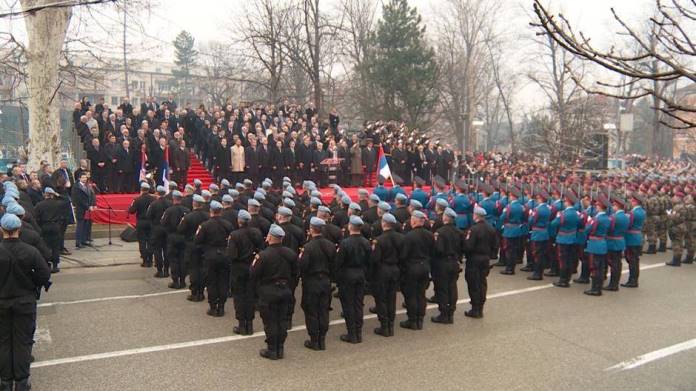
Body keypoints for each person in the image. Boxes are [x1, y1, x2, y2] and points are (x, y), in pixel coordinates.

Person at [0, 213, 51, 391]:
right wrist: (35, 284)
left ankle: (5, 381)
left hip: (2, 301)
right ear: (19, 229)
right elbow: (45, 275)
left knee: (3, 341)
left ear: (2, 230)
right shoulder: (30, 251)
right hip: (25, 301)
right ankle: (21, 381)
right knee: (23, 342)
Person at [251, 224, 296, 360]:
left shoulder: (263, 256)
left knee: (270, 322)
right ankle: (280, 348)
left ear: (270, 236)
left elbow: (254, 274)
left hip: (268, 291)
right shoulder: (291, 254)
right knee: (282, 320)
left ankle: (272, 350)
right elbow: (295, 273)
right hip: (285, 290)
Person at [298, 217, 336, 350]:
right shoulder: (330, 245)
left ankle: (314, 340)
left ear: (311, 229)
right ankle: (322, 339)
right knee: (323, 310)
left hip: (311, 282)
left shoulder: (308, 247)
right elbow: (334, 264)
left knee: (311, 310)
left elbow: (302, 266)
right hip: (325, 281)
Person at [335, 215, 371, 343]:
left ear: (350, 226)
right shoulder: (366, 242)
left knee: (348, 305)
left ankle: (352, 334)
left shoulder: (345, 243)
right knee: (358, 304)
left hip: (347, 276)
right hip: (360, 275)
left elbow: (339, 262)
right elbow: (369, 261)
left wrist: (338, 278)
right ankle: (358, 332)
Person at [228, 210, 264, 335]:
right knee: (250, 296)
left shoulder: (234, 235)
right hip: (252, 267)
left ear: (239, 221)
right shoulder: (257, 232)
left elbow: (232, 255)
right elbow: (261, 249)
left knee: (239, 296)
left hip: (239, 268)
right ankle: (250, 324)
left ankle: (242, 324)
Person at [195, 201, 234, 317]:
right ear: (220, 211)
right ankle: (221, 306)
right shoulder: (228, 224)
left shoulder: (205, 225)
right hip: (224, 254)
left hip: (210, 255)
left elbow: (197, 240)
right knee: (223, 281)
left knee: (211, 281)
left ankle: (213, 307)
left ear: (211, 211)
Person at [369, 213, 403, 336]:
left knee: (381, 299)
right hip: (395, 269)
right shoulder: (401, 238)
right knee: (391, 297)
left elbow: (375, 259)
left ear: (383, 224)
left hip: (382, 271)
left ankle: (384, 326)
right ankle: (391, 325)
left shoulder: (379, 240)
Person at [400, 210, 434, 330]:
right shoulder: (429, 235)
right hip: (425, 266)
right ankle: (420, 319)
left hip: (412, 267)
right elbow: (432, 251)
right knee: (421, 294)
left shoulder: (408, 236)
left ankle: (413, 320)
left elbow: (403, 255)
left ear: (413, 221)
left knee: (411, 295)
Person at [462, 206, 498, 318]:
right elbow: (495, 246)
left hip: (474, 259)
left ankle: (475, 309)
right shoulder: (491, 228)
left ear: (476, 215)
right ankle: (480, 307)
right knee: (482, 283)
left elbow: (468, 246)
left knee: (473, 284)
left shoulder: (473, 229)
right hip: (485, 259)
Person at [431, 208, 465, 324]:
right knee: (452, 287)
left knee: (442, 289)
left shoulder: (440, 232)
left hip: (442, 263)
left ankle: (444, 313)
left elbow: (438, 250)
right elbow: (463, 248)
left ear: (445, 218)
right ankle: (451, 312)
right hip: (454, 262)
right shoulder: (459, 232)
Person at [178, 195, 210, 302]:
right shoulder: (208, 216)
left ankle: (195, 292)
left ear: (194, 204)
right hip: (204, 246)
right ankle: (201, 291)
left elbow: (181, 230)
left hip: (191, 246)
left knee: (194, 269)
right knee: (202, 268)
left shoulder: (188, 217)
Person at [550, 192, 582, 288]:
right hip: (573, 238)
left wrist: (558, 216)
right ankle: (567, 278)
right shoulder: (577, 213)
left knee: (563, 260)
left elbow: (554, 224)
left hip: (563, 238)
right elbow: (580, 224)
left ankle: (563, 280)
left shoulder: (564, 214)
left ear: (567, 202)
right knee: (570, 259)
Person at [33, 187, 66, 273]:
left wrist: (40, 226)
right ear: (52, 194)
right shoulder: (58, 203)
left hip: (44, 226)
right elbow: (67, 200)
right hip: (55, 226)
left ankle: (47, 264)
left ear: (44, 195)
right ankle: (55, 265)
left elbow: (36, 217)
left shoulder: (39, 205)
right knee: (55, 247)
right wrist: (57, 195)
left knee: (45, 246)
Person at [161, 191, 189, 289]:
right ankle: (182, 281)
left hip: (172, 236)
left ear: (173, 199)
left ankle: (175, 281)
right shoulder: (187, 210)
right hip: (183, 237)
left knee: (173, 260)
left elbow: (163, 222)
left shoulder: (169, 211)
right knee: (182, 259)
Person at [128, 182, 156, 268]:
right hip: (151, 222)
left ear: (141, 189)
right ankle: (150, 259)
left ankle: (145, 260)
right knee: (150, 241)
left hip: (141, 222)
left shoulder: (137, 199)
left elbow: (131, 211)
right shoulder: (154, 199)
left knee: (142, 241)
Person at [146, 186, 172, 278]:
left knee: (157, 250)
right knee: (166, 250)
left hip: (157, 228)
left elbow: (148, 216)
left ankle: (160, 270)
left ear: (157, 193)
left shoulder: (154, 204)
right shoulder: (170, 203)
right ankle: (166, 270)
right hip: (167, 229)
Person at [605, 196, 629, 290]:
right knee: (617, 263)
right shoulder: (626, 216)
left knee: (614, 264)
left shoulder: (614, 217)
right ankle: (615, 283)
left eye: (614, 205)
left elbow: (609, 228)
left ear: (617, 206)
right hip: (620, 240)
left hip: (612, 241)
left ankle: (613, 284)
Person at [622, 193, 646, 288]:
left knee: (632, 260)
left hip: (631, 237)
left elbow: (628, 224)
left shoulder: (633, 213)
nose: (631, 202)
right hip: (638, 236)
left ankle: (632, 280)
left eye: (632, 201)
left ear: (635, 202)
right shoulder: (642, 211)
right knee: (635, 260)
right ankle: (634, 279)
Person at [71, 171, 96, 248]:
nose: (85, 179)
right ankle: (78, 242)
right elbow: (79, 199)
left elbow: (91, 196)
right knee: (80, 225)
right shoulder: (76, 187)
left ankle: (84, 240)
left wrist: (92, 204)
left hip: (87, 209)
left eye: (85, 177)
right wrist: (88, 206)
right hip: (81, 209)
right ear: (79, 178)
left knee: (86, 225)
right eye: (83, 178)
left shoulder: (87, 186)